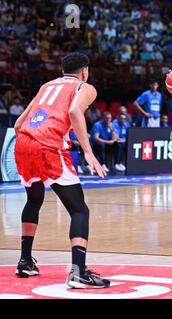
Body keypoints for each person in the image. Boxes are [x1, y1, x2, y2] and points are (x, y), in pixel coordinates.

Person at [13, 52, 110, 288]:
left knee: (33, 201)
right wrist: (87, 151)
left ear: (62, 70)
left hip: (23, 143)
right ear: (85, 70)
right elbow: (75, 112)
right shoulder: (84, 87)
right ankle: (78, 271)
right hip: (48, 146)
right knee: (79, 210)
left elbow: (17, 125)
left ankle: (25, 261)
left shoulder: (46, 86)